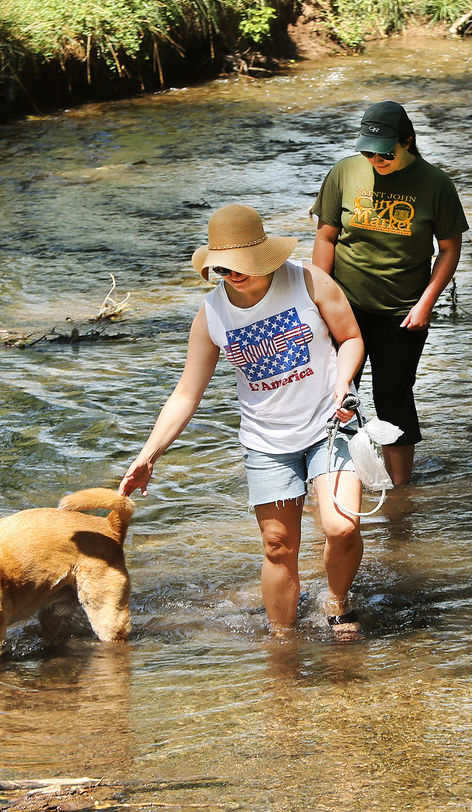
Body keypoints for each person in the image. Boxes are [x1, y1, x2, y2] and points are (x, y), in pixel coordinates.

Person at [119, 204, 367, 637]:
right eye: (224, 267)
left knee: (341, 526)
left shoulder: (308, 280)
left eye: (243, 266)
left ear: (265, 255)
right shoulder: (212, 314)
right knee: (277, 546)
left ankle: (337, 602)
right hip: (266, 441)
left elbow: (350, 338)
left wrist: (344, 381)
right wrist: (148, 455)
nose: (233, 275)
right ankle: (282, 641)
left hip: (330, 422)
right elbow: (186, 392)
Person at [310, 100, 470, 486]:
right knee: (334, 395)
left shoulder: (436, 185)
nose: (375, 159)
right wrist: (316, 298)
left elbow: (449, 248)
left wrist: (425, 304)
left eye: (385, 153)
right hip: (344, 307)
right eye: (368, 151)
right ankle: (331, 480)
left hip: (402, 313)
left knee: (393, 398)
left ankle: (400, 494)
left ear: (408, 142)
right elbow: (326, 236)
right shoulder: (345, 173)